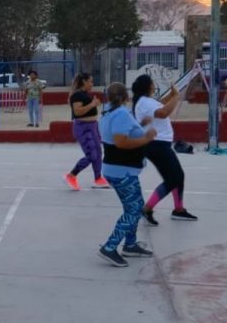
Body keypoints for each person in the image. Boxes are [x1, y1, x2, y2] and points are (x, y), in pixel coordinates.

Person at [97, 82, 157, 267]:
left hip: (118, 168)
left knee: (133, 207)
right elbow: (121, 142)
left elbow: (122, 132)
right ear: (125, 97)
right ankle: (110, 247)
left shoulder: (109, 112)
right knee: (134, 209)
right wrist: (146, 137)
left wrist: (140, 125)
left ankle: (130, 245)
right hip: (122, 169)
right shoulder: (121, 113)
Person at [132, 74, 198, 224]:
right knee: (174, 178)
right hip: (156, 145)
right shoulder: (144, 102)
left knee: (178, 176)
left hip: (159, 144)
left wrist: (172, 95)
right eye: (153, 84)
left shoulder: (146, 101)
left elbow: (160, 105)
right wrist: (176, 96)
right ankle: (147, 208)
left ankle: (179, 209)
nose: (155, 86)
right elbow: (163, 113)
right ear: (148, 86)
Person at [63, 73, 108, 190]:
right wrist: (92, 104)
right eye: (90, 82)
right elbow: (77, 112)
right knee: (91, 155)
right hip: (83, 128)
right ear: (84, 82)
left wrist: (94, 105)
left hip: (92, 127)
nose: (92, 85)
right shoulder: (77, 95)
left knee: (98, 154)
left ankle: (98, 179)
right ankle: (71, 175)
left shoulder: (84, 95)